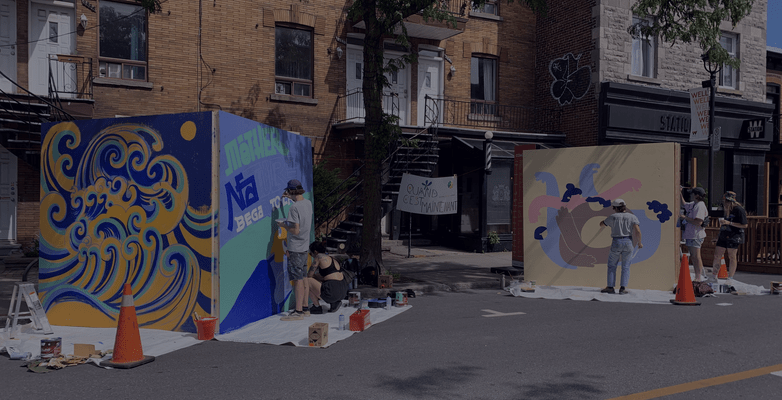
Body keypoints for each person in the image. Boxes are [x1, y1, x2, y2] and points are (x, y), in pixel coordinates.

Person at [277, 179, 313, 321]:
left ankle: (298, 311)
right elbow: (300, 209)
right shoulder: (307, 203)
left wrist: (283, 225)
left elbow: (296, 230)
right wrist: (291, 198)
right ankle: (305, 308)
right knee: (304, 277)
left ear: (291, 192)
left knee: (297, 280)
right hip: (305, 247)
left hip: (295, 248)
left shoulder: (294, 208)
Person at [599, 199, 643, 294]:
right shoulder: (632, 217)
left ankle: (610, 287)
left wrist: (604, 222)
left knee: (612, 265)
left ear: (614, 208)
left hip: (616, 241)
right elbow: (638, 231)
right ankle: (623, 288)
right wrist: (639, 243)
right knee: (626, 266)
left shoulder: (613, 216)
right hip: (628, 241)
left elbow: (602, 224)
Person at [711, 191, 748, 292]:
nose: (724, 203)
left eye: (726, 201)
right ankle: (714, 275)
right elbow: (723, 225)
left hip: (734, 235)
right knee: (717, 254)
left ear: (731, 201)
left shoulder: (739, 210)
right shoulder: (726, 210)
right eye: (724, 201)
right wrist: (718, 236)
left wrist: (730, 222)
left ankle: (730, 278)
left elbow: (745, 225)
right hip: (724, 234)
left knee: (732, 256)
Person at [306, 242, 348, 313]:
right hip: (343, 290)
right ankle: (334, 303)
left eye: (311, 254)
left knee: (307, 280)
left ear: (315, 252)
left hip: (332, 292)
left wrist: (313, 276)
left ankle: (317, 307)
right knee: (321, 282)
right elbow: (329, 277)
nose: (311, 256)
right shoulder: (331, 258)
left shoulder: (319, 256)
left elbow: (309, 275)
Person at [679, 187, 708, 281]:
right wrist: (679, 193)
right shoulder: (693, 204)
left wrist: (685, 218)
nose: (691, 195)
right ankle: (697, 276)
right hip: (691, 234)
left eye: (692, 194)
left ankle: (698, 277)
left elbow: (698, 222)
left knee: (696, 256)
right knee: (693, 256)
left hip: (696, 235)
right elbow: (684, 204)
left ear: (697, 195)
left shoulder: (700, 205)